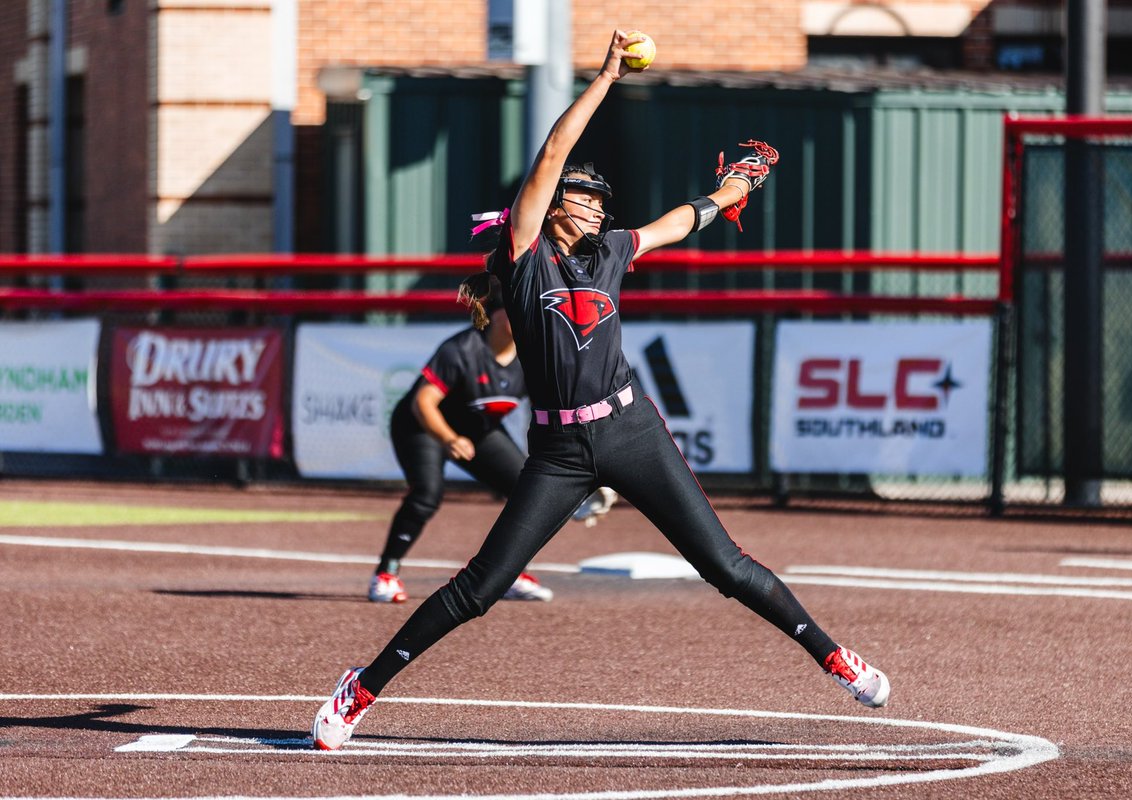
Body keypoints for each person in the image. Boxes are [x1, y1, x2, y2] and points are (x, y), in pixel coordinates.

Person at [312, 29, 889, 751]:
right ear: (554, 207)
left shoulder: (612, 250)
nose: (592, 206)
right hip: (559, 450)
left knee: (726, 566)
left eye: (595, 199)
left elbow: (678, 223)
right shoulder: (522, 258)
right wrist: (608, 75)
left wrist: (730, 191)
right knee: (479, 589)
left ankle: (835, 657)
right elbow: (554, 152)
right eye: (582, 197)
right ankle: (359, 689)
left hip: (630, 429)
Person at [369, 278, 617, 604]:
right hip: (423, 427)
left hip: (477, 429)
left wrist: (586, 471)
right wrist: (449, 437)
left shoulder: (533, 357)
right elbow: (422, 403)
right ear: (494, 314)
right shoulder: (462, 350)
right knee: (427, 494)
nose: (522, 317)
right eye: (512, 310)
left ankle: (510, 574)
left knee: (527, 491)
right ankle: (386, 574)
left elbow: (561, 411)